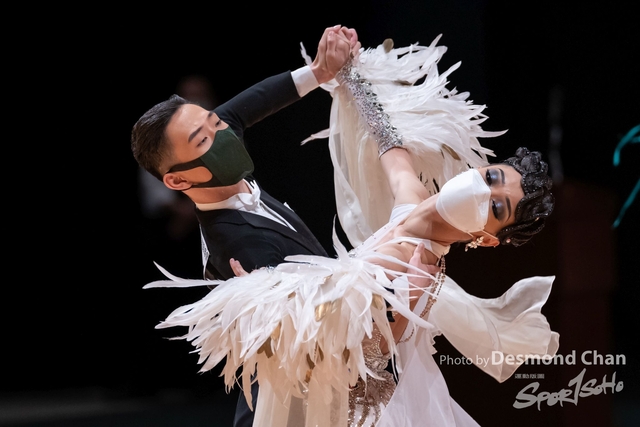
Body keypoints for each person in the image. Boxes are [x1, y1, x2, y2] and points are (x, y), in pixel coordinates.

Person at [143, 35, 559, 426]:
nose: (482, 192)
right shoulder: (411, 197)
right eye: (491, 178)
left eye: (497, 207)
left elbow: (367, 361)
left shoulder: (423, 265)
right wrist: (344, 70)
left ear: (486, 237)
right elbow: (386, 135)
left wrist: (267, 301)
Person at [131, 25, 360, 427]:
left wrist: (319, 71)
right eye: (203, 140)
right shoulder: (240, 249)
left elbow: (247, 105)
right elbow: (320, 327)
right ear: (178, 180)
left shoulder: (217, 155)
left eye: (215, 123)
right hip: (299, 407)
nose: (223, 134)